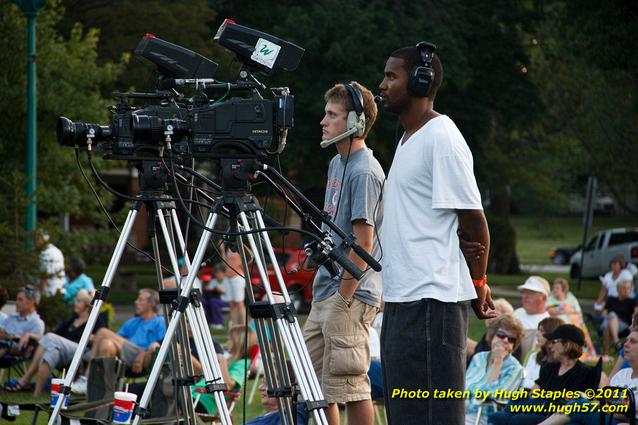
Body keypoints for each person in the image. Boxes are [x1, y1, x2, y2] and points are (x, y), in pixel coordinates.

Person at [377, 43, 494, 425]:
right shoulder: (409, 138)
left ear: (420, 81)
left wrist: (478, 282)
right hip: (403, 300)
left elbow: (474, 222)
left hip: (431, 303)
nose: (383, 84)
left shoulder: (442, 138)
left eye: (392, 76)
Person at [304, 80, 384, 425]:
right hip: (328, 289)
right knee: (314, 383)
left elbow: (364, 244)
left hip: (351, 294)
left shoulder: (364, 171)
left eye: (332, 115)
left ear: (356, 123)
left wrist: (343, 298)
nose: (323, 121)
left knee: (351, 386)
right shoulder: (336, 164)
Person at [489, 324, 606, 425]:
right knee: (506, 410)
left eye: (554, 342)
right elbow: (534, 392)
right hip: (538, 408)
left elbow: (580, 404)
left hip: (555, 416)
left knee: (518, 420)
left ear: (567, 345)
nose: (550, 346)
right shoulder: (550, 366)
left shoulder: (585, 373)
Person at [5, 289, 106, 395]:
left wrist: (93, 337)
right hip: (64, 352)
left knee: (51, 338)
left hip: (82, 352)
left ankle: (25, 379)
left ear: (86, 306)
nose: (75, 304)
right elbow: (51, 336)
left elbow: (102, 338)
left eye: (78, 301)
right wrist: (30, 334)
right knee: (51, 351)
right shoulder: (72, 320)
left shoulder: (96, 320)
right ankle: (36, 393)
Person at [538, 326, 638, 425]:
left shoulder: (585, 373)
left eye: (632, 341)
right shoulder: (621, 376)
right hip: (608, 418)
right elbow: (609, 405)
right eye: (626, 340)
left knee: (579, 404)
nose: (625, 344)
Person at [465, 314, 525, 425]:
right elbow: (464, 386)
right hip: (462, 411)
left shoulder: (515, 369)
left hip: (485, 417)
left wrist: (498, 362)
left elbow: (491, 396)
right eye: (501, 335)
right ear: (492, 336)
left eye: (511, 339)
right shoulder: (479, 358)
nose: (506, 340)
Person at [90, 289, 166, 371]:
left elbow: (162, 343)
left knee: (102, 332)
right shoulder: (132, 321)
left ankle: (87, 376)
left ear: (151, 304)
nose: (136, 302)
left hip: (144, 354)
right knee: (107, 344)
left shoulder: (160, 321)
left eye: (140, 300)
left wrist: (144, 353)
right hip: (126, 353)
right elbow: (117, 338)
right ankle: (106, 383)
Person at [192, 325, 257, 416]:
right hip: (195, 395)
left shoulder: (243, 363)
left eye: (229, 339)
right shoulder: (231, 361)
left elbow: (228, 386)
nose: (227, 343)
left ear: (237, 342)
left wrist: (222, 360)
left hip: (203, 399)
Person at [546, 278, 597, 360]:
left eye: (557, 288)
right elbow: (547, 310)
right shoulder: (550, 298)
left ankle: (583, 349)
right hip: (557, 321)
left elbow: (578, 312)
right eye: (554, 288)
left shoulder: (570, 297)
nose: (554, 290)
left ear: (563, 289)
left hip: (572, 321)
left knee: (579, 323)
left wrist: (567, 311)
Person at [0, 285, 45, 359]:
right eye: (16, 299)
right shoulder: (12, 317)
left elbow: (27, 351)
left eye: (20, 300)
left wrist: (5, 350)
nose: (16, 302)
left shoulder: (37, 323)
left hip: (10, 354)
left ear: (32, 302)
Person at [513, 276, 551, 359]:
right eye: (523, 292)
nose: (525, 296)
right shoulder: (517, 313)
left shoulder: (547, 322)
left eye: (530, 293)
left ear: (544, 298)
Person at [521, 317, 564, 389]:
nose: (537, 334)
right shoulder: (534, 356)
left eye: (542, 331)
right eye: (538, 330)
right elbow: (523, 381)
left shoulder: (563, 360)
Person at [600, 279, 638, 354]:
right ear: (618, 289)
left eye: (628, 288)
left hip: (624, 324)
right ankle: (616, 343)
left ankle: (607, 352)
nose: (627, 290)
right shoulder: (611, 299)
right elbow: (603, 313)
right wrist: (612, 319)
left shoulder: (632, 301)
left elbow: (636, 313)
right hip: (609, 321)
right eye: (624, 288)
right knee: (610, 319)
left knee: (609, 320)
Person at [35, 230, 66, 296]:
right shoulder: (57, 251)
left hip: (49, 293)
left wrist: (39, 296)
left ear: (41, 240)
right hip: (60, 291)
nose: (35, 243)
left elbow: (46, 277)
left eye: (36, 240)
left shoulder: (45, 253)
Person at [202, 263, 228, 329]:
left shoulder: (227, 281)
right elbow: (207, 289)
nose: (217, 275)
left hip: (227, 302)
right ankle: (209, 322)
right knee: (204, 302)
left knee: (213, 302)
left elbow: (227, 293)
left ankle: (218, 323)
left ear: (223, 273)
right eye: (216, 273)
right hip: (214, 300)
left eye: (219, 273)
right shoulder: (213, 281)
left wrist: (219, 290)